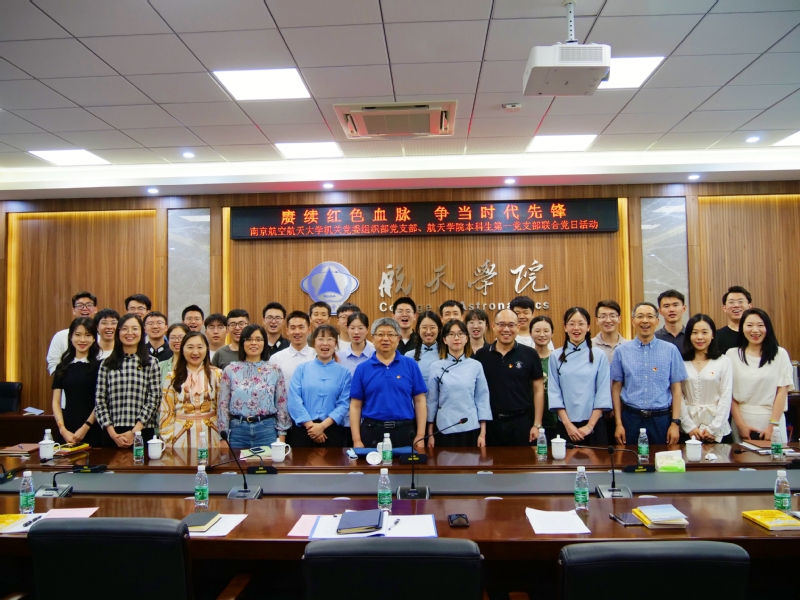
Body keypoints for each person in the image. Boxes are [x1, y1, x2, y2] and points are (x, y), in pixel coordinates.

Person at [611, 302, 687, 446]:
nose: (645, 321)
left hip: (661, 420)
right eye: (640, 316)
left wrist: (675, 423)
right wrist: (618, 424)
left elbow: (676, 389)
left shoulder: (670, 350)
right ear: (633, 321)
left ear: (657, 321)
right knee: (630, 458)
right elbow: (616, 387)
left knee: (662, 458)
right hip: (631, 419)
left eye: (650, 316)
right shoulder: (621, 351)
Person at [350, 317, 427, 451]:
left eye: (391, 334)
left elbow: (420, 401)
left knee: (406, 465)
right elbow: (355, 406)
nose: (385, 339)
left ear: (398, 338)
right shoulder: (362, 368)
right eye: (380, 334)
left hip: (404, 431)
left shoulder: (411, 365)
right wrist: (356, 440)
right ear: (372, 338)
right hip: (372, 431)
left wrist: (420, 435)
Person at [474, 309, 544, 447]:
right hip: (491, 424)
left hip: (521, 423)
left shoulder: (530, 354)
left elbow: (538, 390)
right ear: (493, 326)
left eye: (511, 325)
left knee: (522, 460)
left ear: (518, 327)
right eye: (501, 324)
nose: (506, 329)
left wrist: (537, 424)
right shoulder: (481, 355)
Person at [94, 313, 161, 448]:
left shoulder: (151, 363)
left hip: (143, 430)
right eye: (124, 328)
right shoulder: (106, 364)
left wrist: (134, 431)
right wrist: (113, 433)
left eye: (135, 328)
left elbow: (154, 399)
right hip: (112, 433)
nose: (129, 333)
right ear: (118, 332)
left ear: (142, 332)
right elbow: (100, 401)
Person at [219, 324, 290, 448]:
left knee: (268, 462)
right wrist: (223, 436)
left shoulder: (274, 370)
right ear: (242, 343)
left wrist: (282, 435)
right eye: (249, 339)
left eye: (258, 339)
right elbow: (223, 405)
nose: (254, 343)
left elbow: (281, 403)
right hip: (237, 430)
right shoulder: (230, 370)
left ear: (264, 343)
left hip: (266, 429)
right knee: (237, 461)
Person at [727, 308, 792, 443]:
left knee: (774, 456)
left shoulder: (780, 354)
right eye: (749, 325)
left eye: (760, 325)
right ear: (742, 328)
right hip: (742, 421)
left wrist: (772, 426)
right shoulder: (732, 355)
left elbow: (782, 392)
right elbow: (729, 393)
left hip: (772, 421)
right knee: (742, 456)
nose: (755, 330)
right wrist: (740, 425)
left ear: (768, 328)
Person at [548, 308, 612, 445]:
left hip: (594, 425)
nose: (576, 328)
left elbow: (603, 392)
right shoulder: (555, 356)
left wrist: (589, 426)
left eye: (581, 323)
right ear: (565, 327)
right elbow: (554, 392)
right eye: (571, 324)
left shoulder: (599, 355)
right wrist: (568, 425)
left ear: (588, 327)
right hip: (566, 425)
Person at [426, 320, 491, 448]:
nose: (456, 338)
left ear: (466, 338)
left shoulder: (476, 365)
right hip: (444, 426)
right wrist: (430, 434)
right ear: (444, 340)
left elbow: (482, 399)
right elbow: (431, 402)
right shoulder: (436, 366)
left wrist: (482, 434)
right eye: (451, 334)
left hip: (471, 426)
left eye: (460, 334)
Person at [288, 325, 351, 447]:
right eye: (321, 339)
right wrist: (311, 427)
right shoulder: (301, 369)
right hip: (304, 430)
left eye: (330, 339)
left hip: (332, 431)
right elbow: (294, 400)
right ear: (313, 343)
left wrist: (322, 426)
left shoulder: (344, 373)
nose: (325, 343)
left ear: (336, 343)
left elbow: (344, 404)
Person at [160, 332, 222, 449]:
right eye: (190, 347)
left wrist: (223, 438)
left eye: (200, 347)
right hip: (180, 436)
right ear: (182, 350)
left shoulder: (217, 374)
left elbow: (222, 409)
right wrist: (167, 440)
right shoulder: (172, 377)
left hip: (212, 434)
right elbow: (166, 411)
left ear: (206, 349)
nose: (195, 352)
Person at [680, 314, 733, 443]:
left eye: (704, 332)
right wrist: (689, 427)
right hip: (688, 428)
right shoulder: (681, 362)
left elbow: (726, 396)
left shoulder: (724, 361)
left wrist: (713, 429)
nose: (700, 337)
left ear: (713, 334)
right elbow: (678, 396)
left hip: (717, 427)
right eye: (695, 333)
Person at [51, 317, 102, 447]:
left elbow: (101, 402)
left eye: (88, 335)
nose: (82, 340)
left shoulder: (100, 366)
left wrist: (85, 427)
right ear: (70, 337)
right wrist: (62, 429)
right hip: (67, 427)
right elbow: (56, 402)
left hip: (93, 427)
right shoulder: (62, 367)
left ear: (94, 338)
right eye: (78, 335)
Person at [338, 312, 375, 446]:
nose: (356, 332)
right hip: (345, 419)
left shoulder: (375, 355)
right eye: (352, 328)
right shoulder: (338, 357)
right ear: (347, 329)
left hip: (370, 419)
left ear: (367, 329)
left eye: (360, 328)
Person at [46, 291, 98, 375]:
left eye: (89, 305)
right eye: (80, 305)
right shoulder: (60, 336)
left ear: (95, 309)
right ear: (73, 310)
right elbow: (53, 364)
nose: (85, 308)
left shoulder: (100, 336)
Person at [268, 310, 315, 390]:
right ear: (287, 331)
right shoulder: (276, 359)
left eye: (301, 327)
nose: (297, 332)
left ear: (309, 330)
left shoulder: (317, 356)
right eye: (293, 328)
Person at [530, 315, 558, 437]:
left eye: (546, 331)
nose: (542, 335)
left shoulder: (558, 359)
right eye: (537, 331)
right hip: (531, 419)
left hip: (555, 418)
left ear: (552, 333)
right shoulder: (526, 359)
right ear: (530, 333)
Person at [405, 311, 442, 382]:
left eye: (432, 327)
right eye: (424, 327)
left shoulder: (446, 355)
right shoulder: (409, 356)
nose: (428, 331)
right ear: (418, 330)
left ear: (439, 330)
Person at [716, 286, 752, 354]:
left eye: (740, 301)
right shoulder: (716, 336)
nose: (736, 305)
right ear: (724, 308)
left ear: (749, 306)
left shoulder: (757, 334)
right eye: (731, 302)